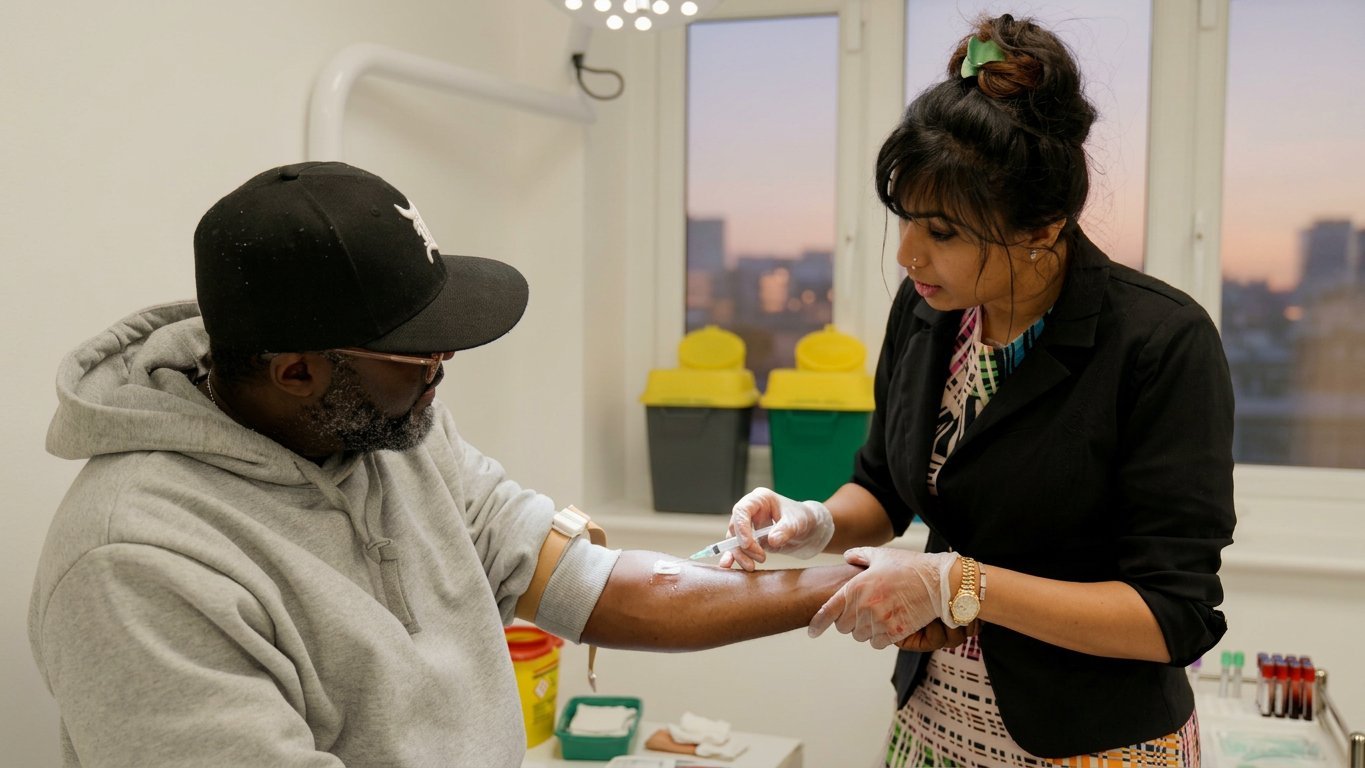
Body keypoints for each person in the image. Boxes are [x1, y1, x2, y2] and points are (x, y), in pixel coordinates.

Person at [27, 161, 860, 768]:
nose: (442, 369)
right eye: (417, 358)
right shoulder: (134, 564)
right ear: (297, 371)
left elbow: (595, 585)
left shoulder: (396, 434)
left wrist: (852, 583)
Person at [719, 14, 1235, 766]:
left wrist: (956, 582)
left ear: (1042, 228)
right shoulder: (930, 310)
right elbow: (883, 487)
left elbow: (1171, 614)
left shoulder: (1158, 342)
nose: (907, 255)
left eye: (943, 232)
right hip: (934, 722)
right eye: (903, 220)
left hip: (1093, 744)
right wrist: (817, 521)